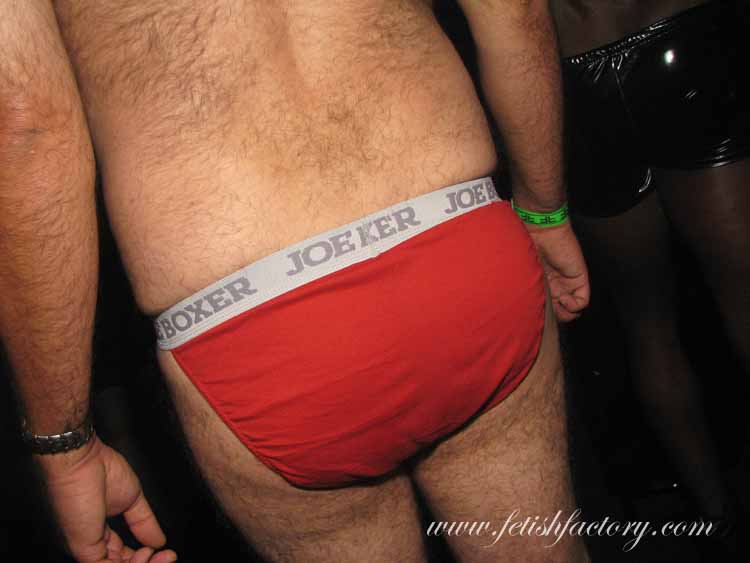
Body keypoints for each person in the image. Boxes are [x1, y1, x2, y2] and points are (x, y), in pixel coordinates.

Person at [0, 1, 590, 562]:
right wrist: (545, 211)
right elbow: (515, 11)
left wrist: (64, 444)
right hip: (460, 243)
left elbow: (25, 125)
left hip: (255, 324)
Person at [551, 0, 749, 532]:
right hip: (675, 39)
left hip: (569, 78)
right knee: (739, 289)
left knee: (647, 324)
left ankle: (716, 521)